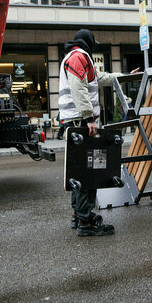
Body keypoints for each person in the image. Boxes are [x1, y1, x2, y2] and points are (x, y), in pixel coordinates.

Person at [59, 29, 137, 236]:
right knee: (89, 172)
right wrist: (89, 118)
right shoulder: (79, 56)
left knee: (78, 171)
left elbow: (101, 78)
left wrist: (126, 76)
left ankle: (80, 215)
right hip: (81, 122)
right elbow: (78, 87)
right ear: (89, 42)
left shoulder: (77, 56)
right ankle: (86, 221)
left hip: (76, 121)